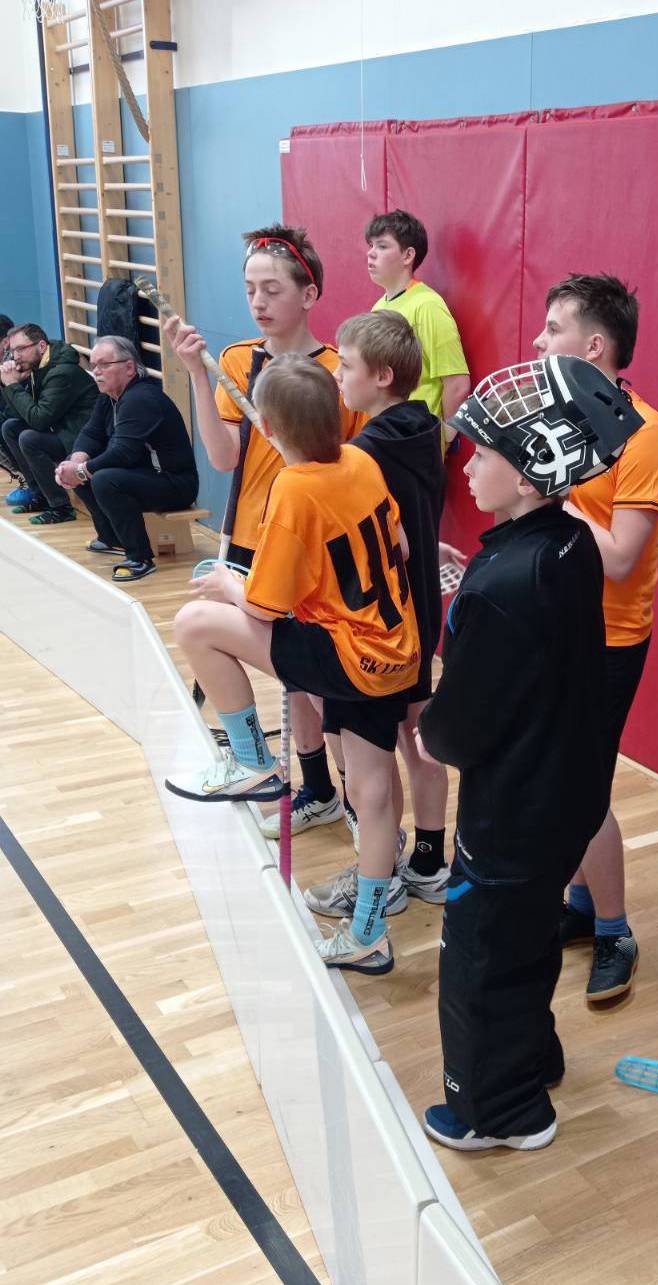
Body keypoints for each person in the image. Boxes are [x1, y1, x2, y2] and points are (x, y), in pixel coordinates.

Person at [418, 353, 644, 1152]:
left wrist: (429, 725)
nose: (466, 466)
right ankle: (530, 1058)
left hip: (510, 809)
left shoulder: (504, 584)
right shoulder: (566, 540)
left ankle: (500, 1111)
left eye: (480, 453)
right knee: (527, 937)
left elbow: (458, 729)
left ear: (528, 471)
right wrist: (476, 585)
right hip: (564, 791)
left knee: (480, 952)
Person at [164, 355, 421, 974]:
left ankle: (252, 762)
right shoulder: (361, 459)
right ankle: (367, 935)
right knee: (373, 793)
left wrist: (228, 582)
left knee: (195, 622)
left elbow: (263, 605)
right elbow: (402, 546)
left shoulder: (294, 487)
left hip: (346, 657)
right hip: (396, 652)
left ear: (270, 428)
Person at [165, 223, 360, 837]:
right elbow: (223, 458)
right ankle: (316, 791)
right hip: (252, 541)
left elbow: (347, 471)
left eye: (272, 289)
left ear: (309, 293)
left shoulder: (341, 372)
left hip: (313, 549)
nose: (258, 302)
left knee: (318, 685)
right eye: (250, 289)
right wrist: (196, 374)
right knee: (291, 678)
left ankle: (361, 807)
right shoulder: (236, 361)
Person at [534, 273, 658, 1005]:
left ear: (593, 347)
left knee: (580, 791)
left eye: (553, 329)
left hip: (608, 638)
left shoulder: (646, 436)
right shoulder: (559, 417)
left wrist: (553, 498)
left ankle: (616, 931)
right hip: (554, 624)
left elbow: (620, 556)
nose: (539, 341)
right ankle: (582, 905)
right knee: (557, 779)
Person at [302, 310, 451, 918]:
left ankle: (379, 873)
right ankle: (430, 863)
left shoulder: (364, 454)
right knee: (417, 735)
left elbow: (382, 542)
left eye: (347, 365)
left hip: (382, 621)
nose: (337, 375)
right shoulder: (424, 430)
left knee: (370, 748)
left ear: (383, 376)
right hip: (421, 608)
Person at [53, 335, 198, 582]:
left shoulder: (141, 398)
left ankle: (140, 558)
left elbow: (123, 452)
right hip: (146, 474)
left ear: (129, 367)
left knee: (103, 478)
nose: (96, 371)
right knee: (86, 470)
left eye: (104, 364)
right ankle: (110, 538)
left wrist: (80, 471)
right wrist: (75, 464)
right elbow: (91, 433)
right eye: (93, 365)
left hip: (176, 484)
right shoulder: (109, 396)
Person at [366, 209, 470, 447]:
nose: (371, 253)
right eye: (371, 245)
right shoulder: (378, 307)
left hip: (415, 442)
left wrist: (444, 437)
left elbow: (456, 382)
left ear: (408, 255)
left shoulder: (427, 306)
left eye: (382, 246)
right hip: (384, 436)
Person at [0, 322, 99, 522]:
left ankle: (61, 508)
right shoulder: (38, 367)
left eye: (21, 349)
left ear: (42, 346)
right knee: (10, 427)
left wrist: (12, 385)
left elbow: (39, 420)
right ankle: (41, 496)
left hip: (81, 439)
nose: (15, 356)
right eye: (12, 351)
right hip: (62, 430)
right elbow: (17, 414)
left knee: (29, 438)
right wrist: (13, 384)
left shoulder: (62, 372)